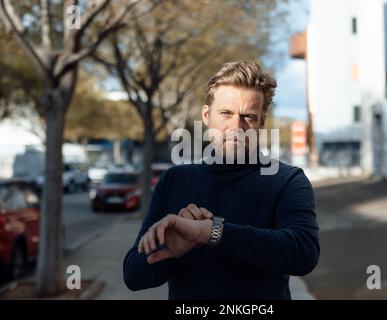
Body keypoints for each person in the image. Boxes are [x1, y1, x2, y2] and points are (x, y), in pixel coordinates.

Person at [123, 61, 320, 300]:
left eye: (248, 117)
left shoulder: (287, 180)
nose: (236, 127)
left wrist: (211, 233)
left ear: (261, 122)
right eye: (225, 113)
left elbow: (304, 254)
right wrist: (169, 250)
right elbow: (133, 276)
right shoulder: (175, 180)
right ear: (207, 115)